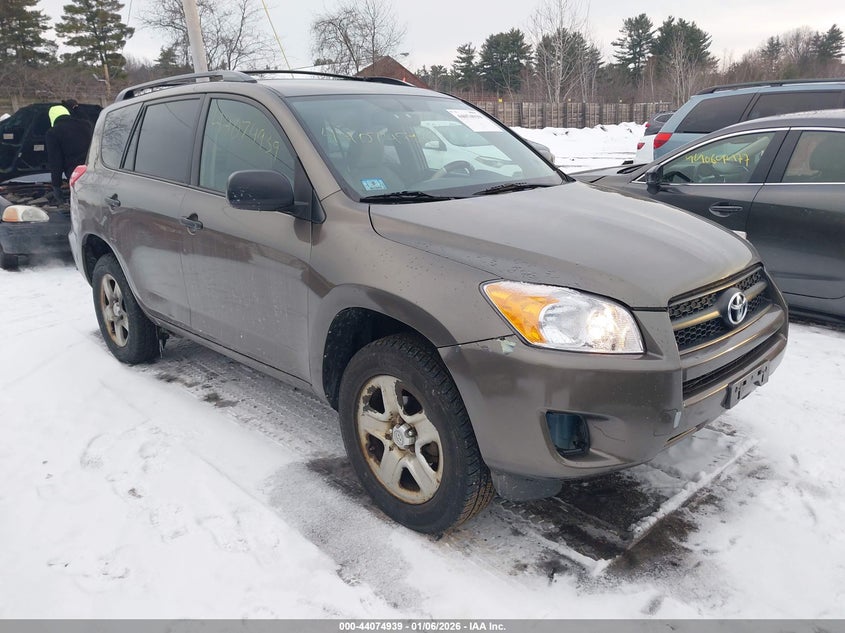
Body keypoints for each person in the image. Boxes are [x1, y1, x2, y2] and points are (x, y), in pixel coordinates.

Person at [45, 102, 94, 203]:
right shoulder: (86, 125)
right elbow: (86, 118)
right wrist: (76, 107)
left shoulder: (53, 133)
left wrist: (56, 186)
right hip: (96, 171)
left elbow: (56, 162)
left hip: (77, 175)